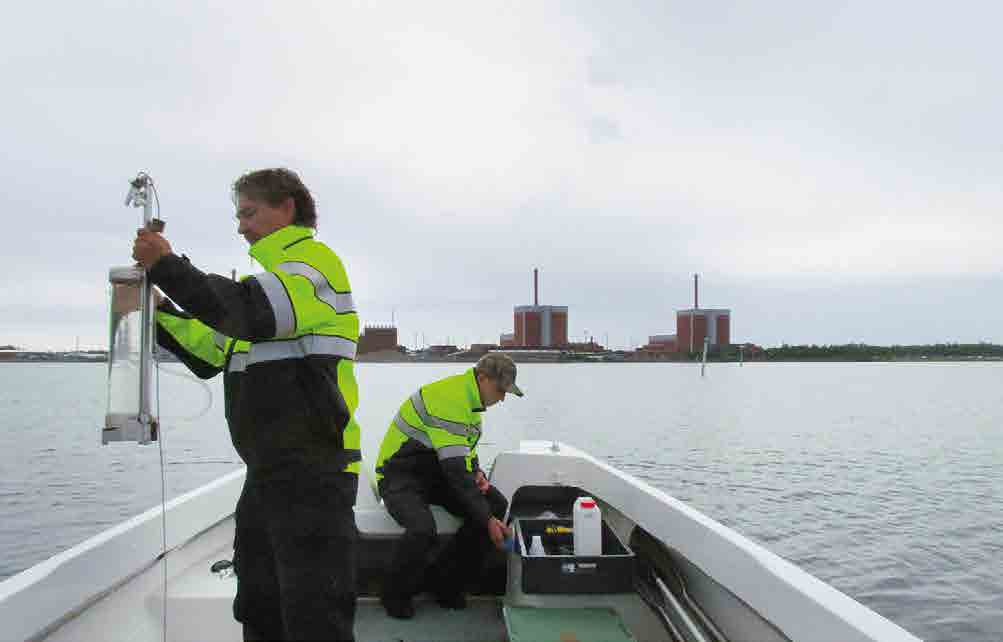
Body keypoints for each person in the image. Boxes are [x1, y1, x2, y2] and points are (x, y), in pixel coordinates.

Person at [132, 168, 362, 641]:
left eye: (249, 212)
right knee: (258, 600)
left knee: (313, 614)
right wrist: (155, 308)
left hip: (314, 471)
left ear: (287, 208)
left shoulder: (313, 265)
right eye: (239, 215)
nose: (241, 226)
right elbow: (209, 350)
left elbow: (249, 311)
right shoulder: (270, 284)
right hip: (268, 472)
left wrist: (169, 266)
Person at [374, 353, 522, 619]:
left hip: (435, 472)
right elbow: (454, 469)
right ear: (482, 378)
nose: (502, 399)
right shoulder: (450, 398)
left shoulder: (471, 407)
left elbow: (462, 456)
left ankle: (444, 582)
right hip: (399, 473)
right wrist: (487, 519)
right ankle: (394, 594)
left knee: (496, 503)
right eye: (500, 390)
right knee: (422, 528)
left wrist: (477, 473)